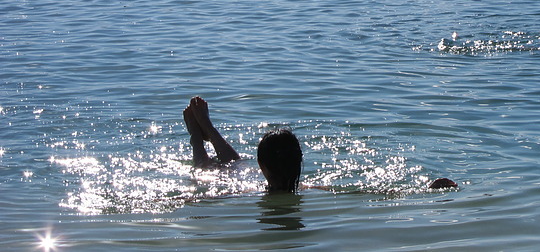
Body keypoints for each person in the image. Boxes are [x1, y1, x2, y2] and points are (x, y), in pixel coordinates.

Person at [184, 96, 457, 193]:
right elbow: (373, 192)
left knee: (215, 168)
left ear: (263, 167)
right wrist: (424, 190)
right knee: (230, 165)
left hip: (246, 179)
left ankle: (199, 133)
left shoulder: (245, 194)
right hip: (257, 174)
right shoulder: (309, 189)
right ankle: (205, 130)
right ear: (301, 162)